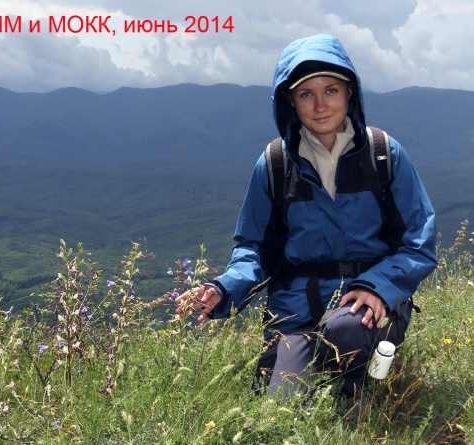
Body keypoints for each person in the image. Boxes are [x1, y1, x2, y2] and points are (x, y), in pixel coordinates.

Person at [176, 33, 437, 399]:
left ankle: (361, 385)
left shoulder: (383, 155)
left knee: (346, 333)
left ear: (350, 93)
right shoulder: (275, 164)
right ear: (289, 102)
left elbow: (418, 241)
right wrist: (223, 288)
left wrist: (378, 287)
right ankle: (322, 377)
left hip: (361, 307)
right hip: (295, 315)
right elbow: (255, 247)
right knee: (278, 404)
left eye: (331, 90)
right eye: (305, 94)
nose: (320, 105)